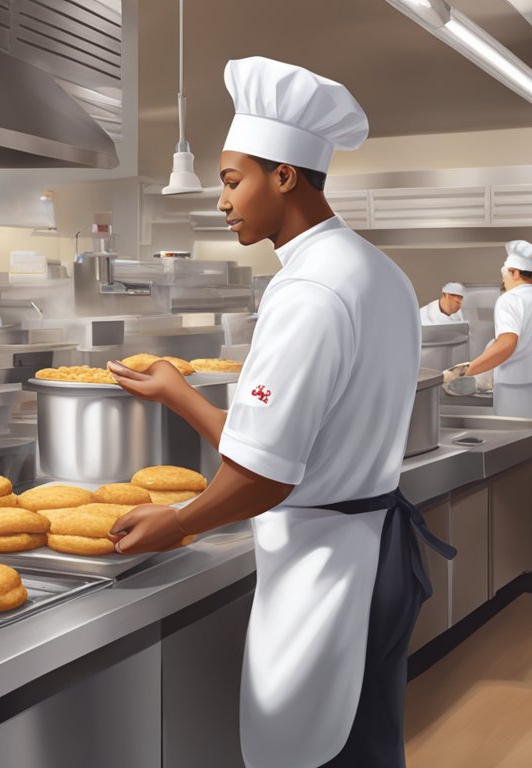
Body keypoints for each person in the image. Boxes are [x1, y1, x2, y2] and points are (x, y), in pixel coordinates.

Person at [104, 57, 454, 768]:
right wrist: (178, 391)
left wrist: (175, 525)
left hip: (327, 575)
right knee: (370, 743)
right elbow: (278, 449)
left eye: (233, 181)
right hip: (378, 550)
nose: (222, 202)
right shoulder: (378, 272)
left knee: (323, 752)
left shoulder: (307, 292)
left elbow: (265, 481)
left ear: (285, 176)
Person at [454, 241, 532, 416]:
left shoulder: (511, 299)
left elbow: (507, 343)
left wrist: (469, 370)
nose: (503, 280)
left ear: (516, 272)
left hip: (515, 387)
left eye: (505, 275)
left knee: (515, 439)